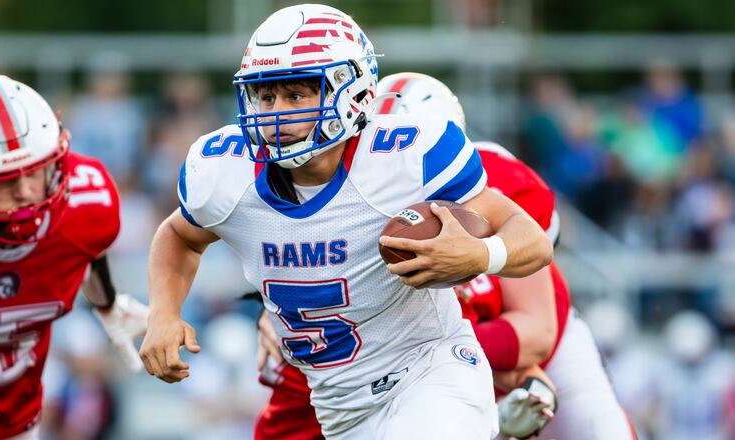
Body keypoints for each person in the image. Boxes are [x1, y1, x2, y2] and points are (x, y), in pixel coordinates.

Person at [140, 5, 552, 439]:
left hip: (431, 372)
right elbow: (179, 236)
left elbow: (532, 241)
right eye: (265, 96)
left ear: (350, 91)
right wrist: (164, 312)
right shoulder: (226, 174)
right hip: (340, 408)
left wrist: (481, 253)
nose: (274, 113)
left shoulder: (403, 158)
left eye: (295, 96)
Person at [254, 72, 635, 440]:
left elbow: (537, 331)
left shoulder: (498, 185)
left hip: (525, 339)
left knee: (601, 428)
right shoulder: (351, 197)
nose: (401, 164)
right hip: (430, 358)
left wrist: (432, 357)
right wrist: (291, 320)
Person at [0, 75, 148, 439]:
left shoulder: (89, 204)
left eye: (37, 169)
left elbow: (86, 250)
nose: (25, 192)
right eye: (2, 180)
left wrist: (108, 304)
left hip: (19, 424)